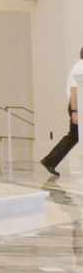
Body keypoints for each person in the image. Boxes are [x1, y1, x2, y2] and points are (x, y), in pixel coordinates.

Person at [40, 46, 83, 176]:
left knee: (74, 136)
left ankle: (50, 160)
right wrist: (75, 111)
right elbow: (74, 90)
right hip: (78, 106)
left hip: (78, 106)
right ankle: (50, 160)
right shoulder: (81, 66)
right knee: (74, 135)